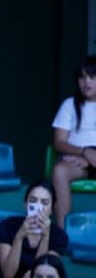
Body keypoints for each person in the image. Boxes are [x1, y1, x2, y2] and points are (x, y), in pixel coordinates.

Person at [50, 55, 96, 224]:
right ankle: (62, 234)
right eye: (82, 77)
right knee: (59, 171)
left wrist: (91, 158)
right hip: (77, 159)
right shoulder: (69, 105)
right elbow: (59, 142)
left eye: (92, 77)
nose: (87, 82)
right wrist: (85, 153)